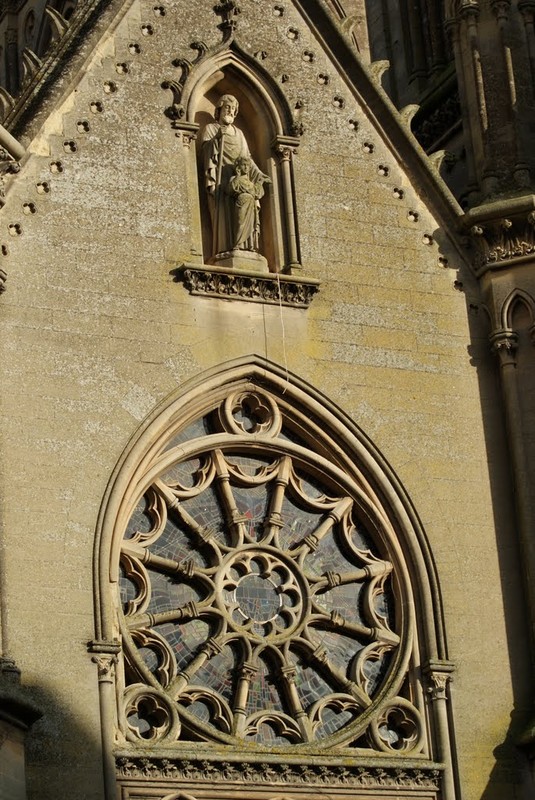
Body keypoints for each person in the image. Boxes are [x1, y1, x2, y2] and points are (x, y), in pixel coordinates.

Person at [202, 94, 270, 260]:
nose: (230, 112)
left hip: (240, 180)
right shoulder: (210, 129)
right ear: (219, 110)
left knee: (245, 208)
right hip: (221, 181)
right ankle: (223, 249)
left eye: (233, 109)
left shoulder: (239, 134)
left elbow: (247, 159)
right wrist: (217, 138)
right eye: (227, 108)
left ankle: (245, 245)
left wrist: (260, 175)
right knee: (224, 217)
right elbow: (205, 151)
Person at [228, 156, 264, 251]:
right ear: (238, 167)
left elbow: (257, 194)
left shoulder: (251, 183)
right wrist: (237, 176)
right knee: (240, 223)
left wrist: (260, 183)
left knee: (251, 225)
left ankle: (250, 246)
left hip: (251, 205)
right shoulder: (235, 178)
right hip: (241, 203)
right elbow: (231, 189)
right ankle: (238, 244)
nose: (246, 167)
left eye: (248, 165)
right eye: (244, 165)